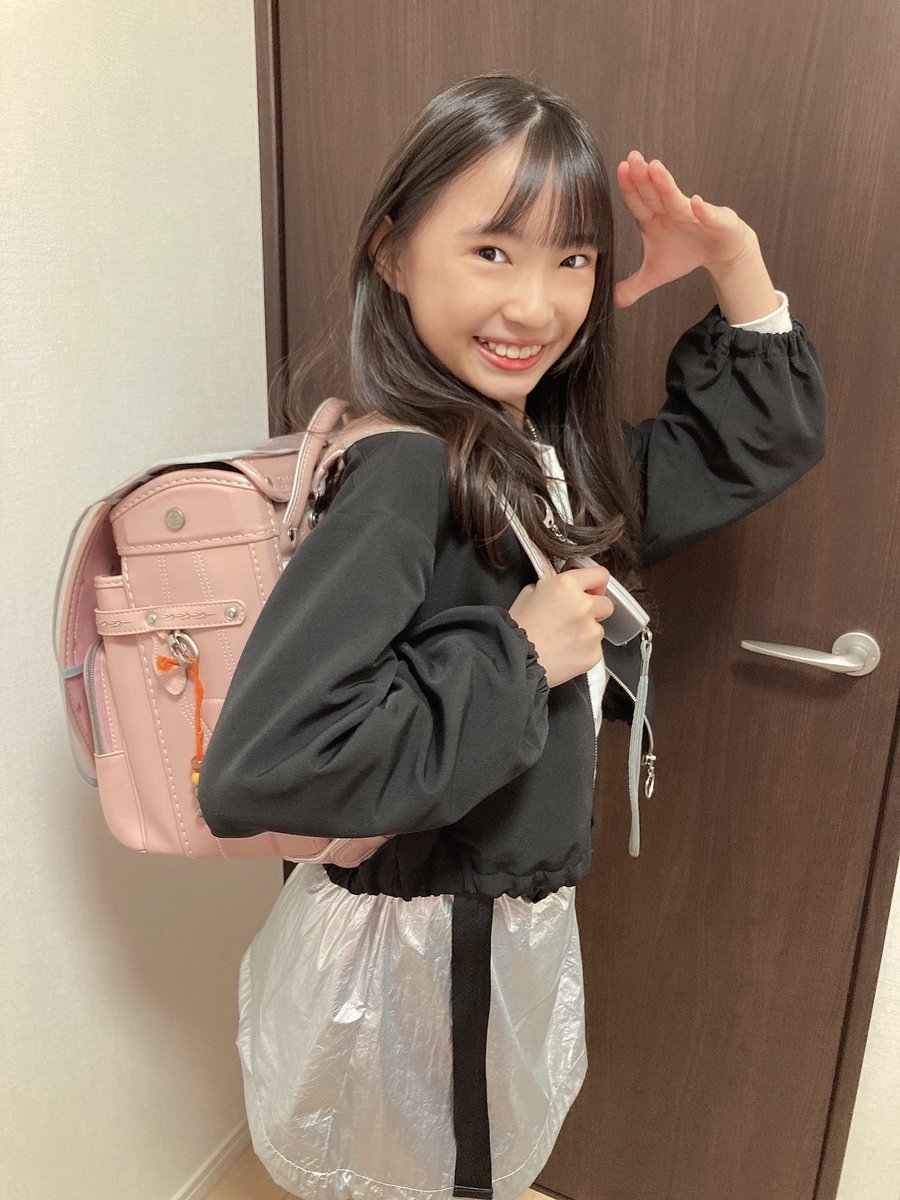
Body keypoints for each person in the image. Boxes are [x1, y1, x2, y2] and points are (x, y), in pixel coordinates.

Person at [197, 73, 826, 1200]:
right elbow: (265, 765)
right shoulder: (407, 470)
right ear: (392, 254)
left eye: (571, 259)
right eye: (492, 251)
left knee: (454, 1168)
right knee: (438, 1176)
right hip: (428, 943)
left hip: (490, 924)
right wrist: (521, 657)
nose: (535, 305)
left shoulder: (539, 453)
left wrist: (734, 264)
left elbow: (745, 443)